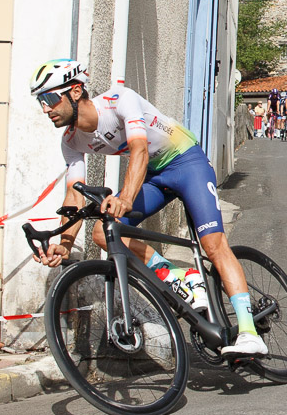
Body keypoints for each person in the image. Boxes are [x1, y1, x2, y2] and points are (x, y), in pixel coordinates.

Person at [30, 58, 267, 356]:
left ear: (75, 91)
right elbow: (73, 195)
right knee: (104, 235)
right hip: (155, 177)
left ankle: (249, 332)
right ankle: (180, 277)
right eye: (41, 101)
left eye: (50, 98)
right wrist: (64, 243)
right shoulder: (71, 141)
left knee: (213, 244)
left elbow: (140, 149)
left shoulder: (119, 101)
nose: (45, 108)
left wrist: (125, 198)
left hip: (186, 162)